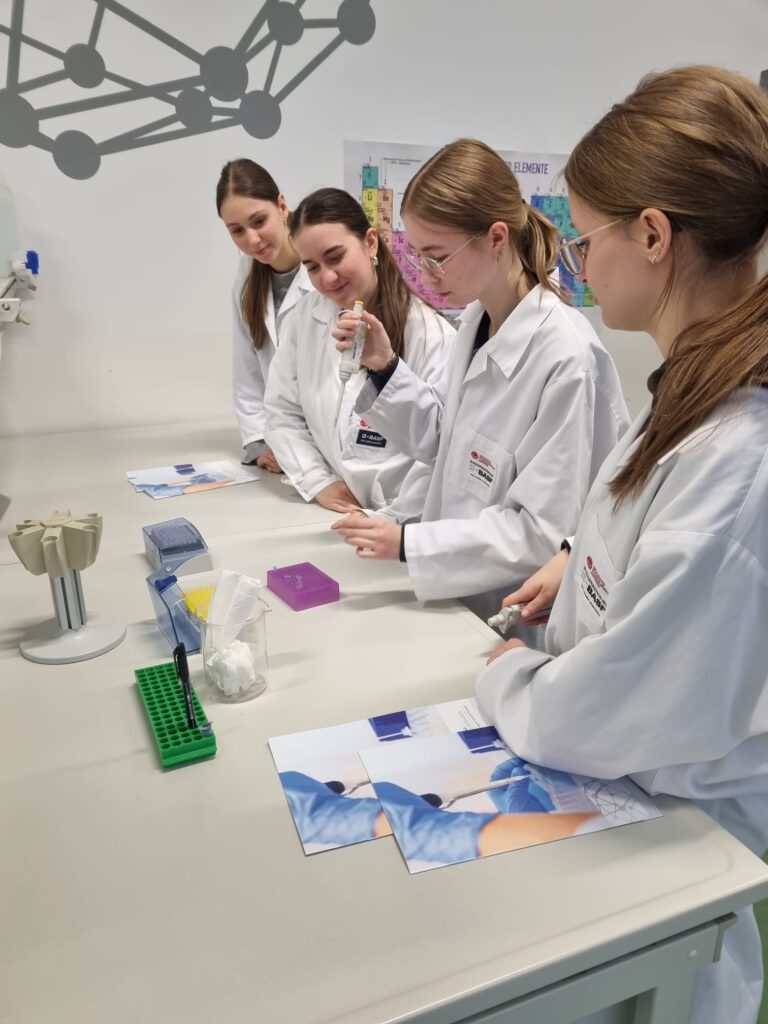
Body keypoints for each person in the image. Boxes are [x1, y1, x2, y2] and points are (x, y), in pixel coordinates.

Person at [475, 66, 768, 1024]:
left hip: (671, 858)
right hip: (621, 807)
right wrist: (578, 562)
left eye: (584, 239)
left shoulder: (739, 453)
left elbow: (615, 705)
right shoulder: (691, 388)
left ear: (652, 235)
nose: (577, 266)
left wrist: (504, 678)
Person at [329, 138, 629, 623]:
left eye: (437, 256)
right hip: (459, 596)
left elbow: (541, 533)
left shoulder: (566, 358)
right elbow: (447, 444)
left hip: (515, 616)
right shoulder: (476, 322)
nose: (426, 276)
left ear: (496, 238)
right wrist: (384, 367)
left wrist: (409, 543)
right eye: (417, 256)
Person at [263, 188, 453, 516]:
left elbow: (441, 449)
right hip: (330, 516)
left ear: (370, 243)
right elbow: (282, 411)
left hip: (405, 522)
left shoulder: (429, 334)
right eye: (312, 267)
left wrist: (391, 520)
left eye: (335, 257)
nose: (328, 277)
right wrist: (318, 481)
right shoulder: (305, 318)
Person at [216, 159, 313, 471]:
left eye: (259, 221)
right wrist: (259, 442)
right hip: (281, 452)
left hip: (329, 448)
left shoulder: (322, 269)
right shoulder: (247, 275)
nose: (252, 240)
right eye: (237, 231)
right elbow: (248, 371)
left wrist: (299, 450)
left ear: (282, 206)